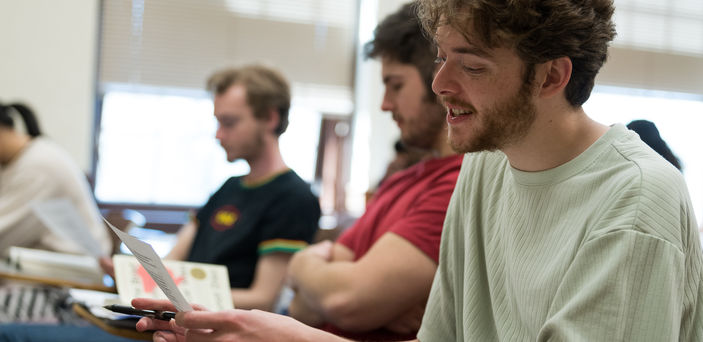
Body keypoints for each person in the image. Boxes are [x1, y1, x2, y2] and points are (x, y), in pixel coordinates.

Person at [136, 0, 703, 341]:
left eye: (472, 66)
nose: (440, 86)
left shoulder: (634, 205)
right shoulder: (483, 167)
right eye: (441, 58)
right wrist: (274, 331)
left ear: (552, 77)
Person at [137, 3, 462, 342]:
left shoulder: (452, 184)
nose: (383, 104)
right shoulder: (401, 182)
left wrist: (320, 280)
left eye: (395, 85)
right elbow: (304, 308)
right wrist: (319, 279)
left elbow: (341, 300)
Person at [0, 65, 320, 341]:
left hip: (202, 332)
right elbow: (171, 264)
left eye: (230, 122)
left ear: (270, 118)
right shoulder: (228, 188)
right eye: (217, 122)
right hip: (165, 322)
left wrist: (177, 297)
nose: (218, 134)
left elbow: (263, 300)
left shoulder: (293, 198)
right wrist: (132, 272)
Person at [0, 102, 111, 257]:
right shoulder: (24, 159)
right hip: (53, 262)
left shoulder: (37, 165)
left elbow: (4, 234)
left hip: (74, 265)